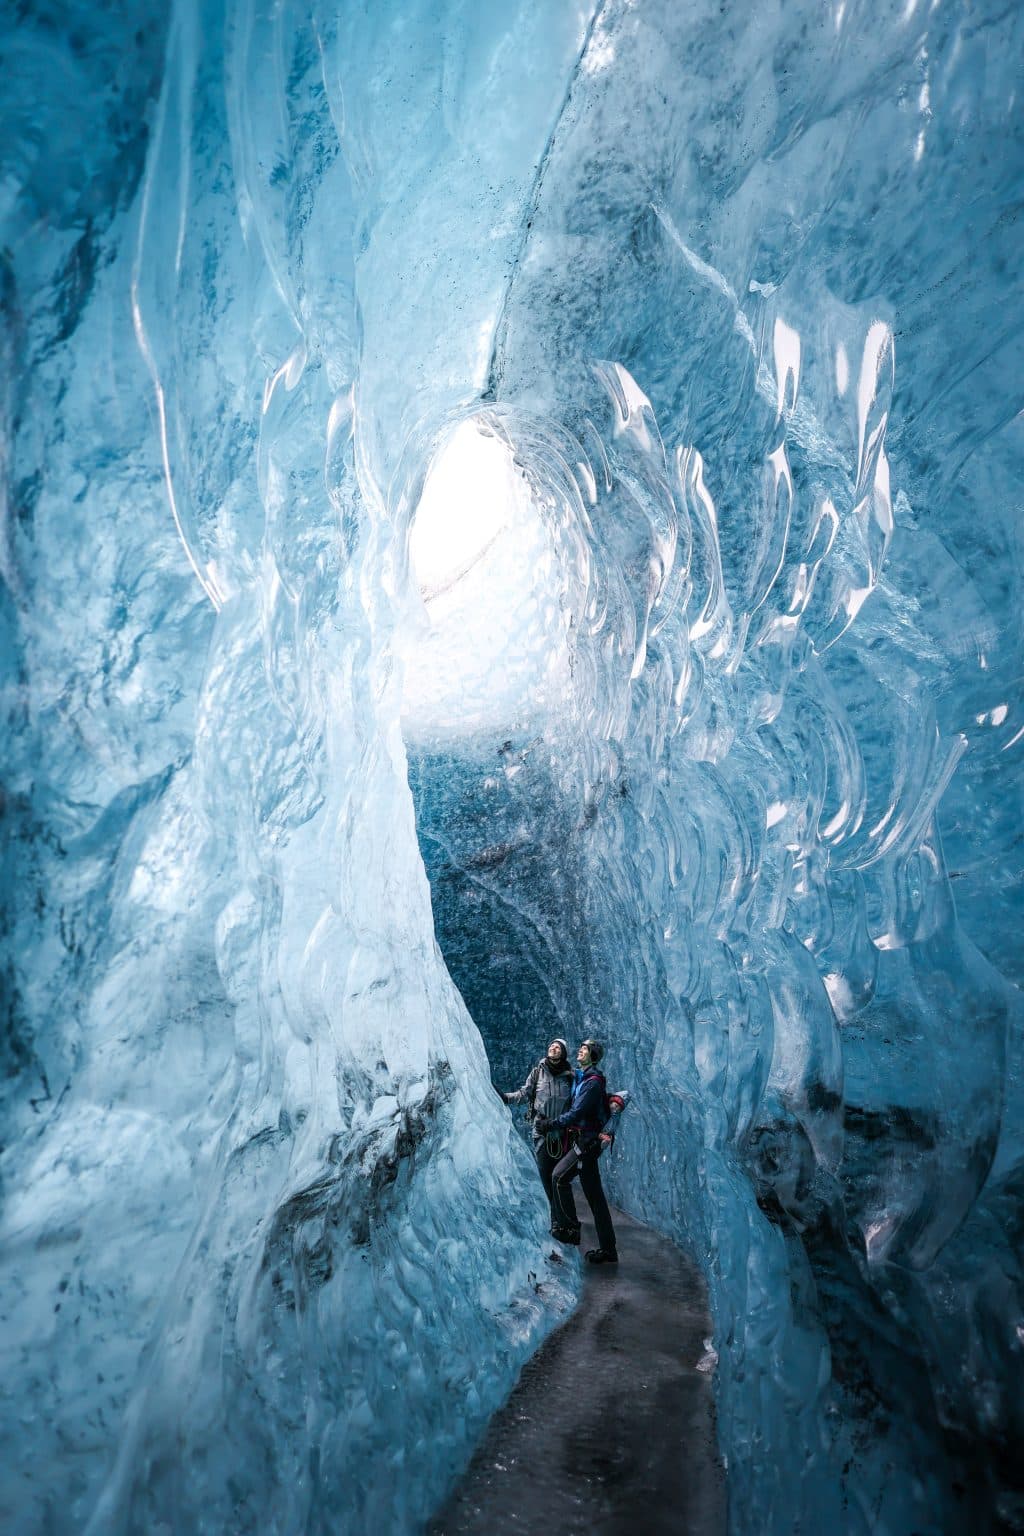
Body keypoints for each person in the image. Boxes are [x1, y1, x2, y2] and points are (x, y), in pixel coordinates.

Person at [538, 1038, 620, 1265]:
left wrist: (551, 1124)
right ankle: (609, 1250)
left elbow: (576, 1113)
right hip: (586, 1142)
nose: (580, 1051)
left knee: (558, 1176)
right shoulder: (583, 1078)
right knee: (595, 1197)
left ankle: (571, 1229)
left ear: (592, 1055)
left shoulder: (592, 1083)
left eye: (584, 1049)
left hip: (585, 1143)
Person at [500, 1037, 575, 1234]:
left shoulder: (570, 1076)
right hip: (541, 1130)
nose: (553, 1048)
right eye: (552, 1045)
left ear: (563, 1053)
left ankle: (562, 1221)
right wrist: (506, 1098)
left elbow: (576, 1104)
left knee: (557, 1179)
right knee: (545, 1176)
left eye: (558, 1047)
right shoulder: (538, 1071)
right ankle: (555, 1221)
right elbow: (525, 1093)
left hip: (561, 1132)